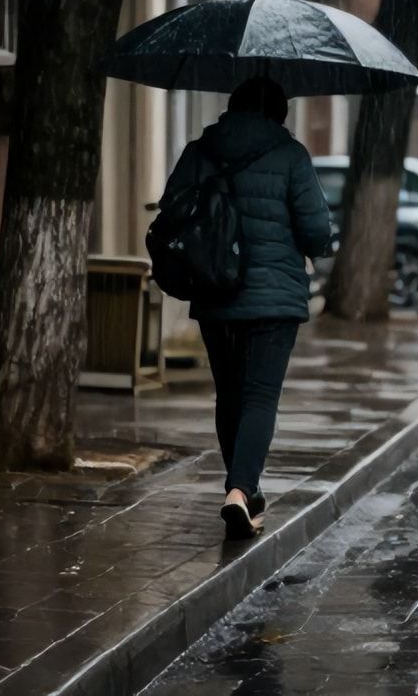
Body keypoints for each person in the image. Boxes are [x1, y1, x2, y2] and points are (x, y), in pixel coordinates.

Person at [160, 78, 332, 541]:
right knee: (259, 396)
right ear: (279, 113)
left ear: (231, 107)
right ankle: (240, 490)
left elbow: (172, 209)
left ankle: (243, 489)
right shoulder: (291, 155)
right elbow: (317, 232)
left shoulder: (201, 150)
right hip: (274, 298)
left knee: (230, 394)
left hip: (215, 288)